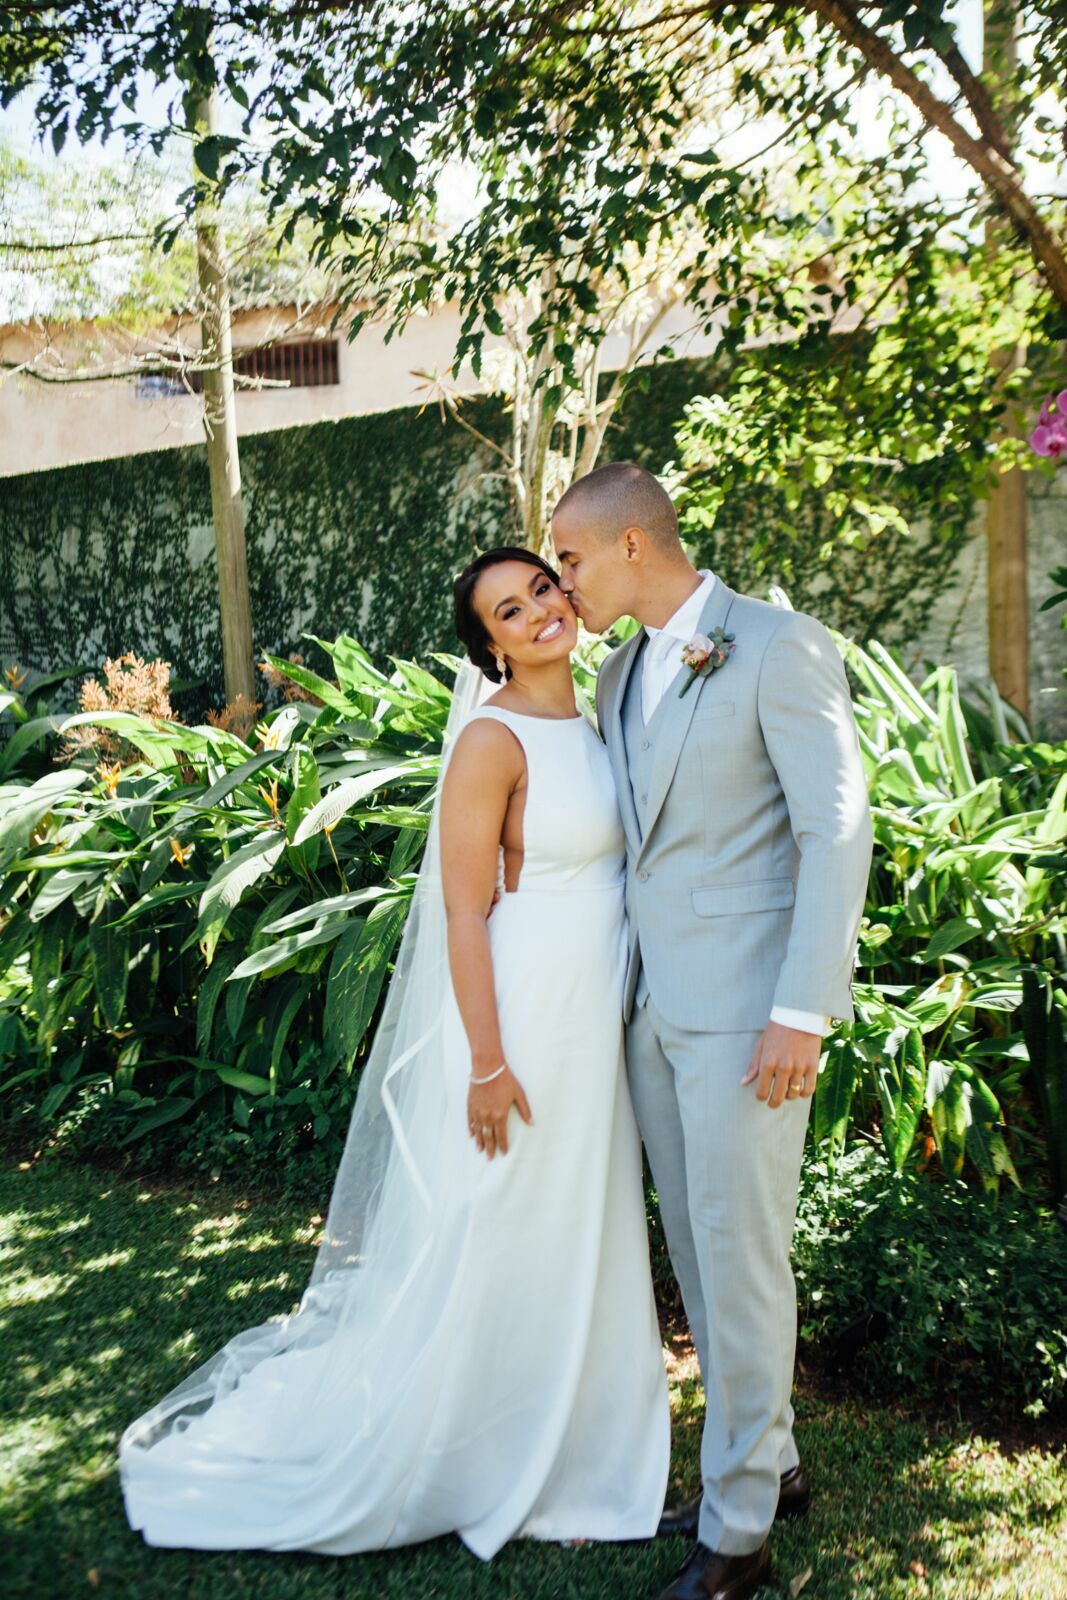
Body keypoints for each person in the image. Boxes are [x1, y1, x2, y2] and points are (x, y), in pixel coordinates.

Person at [118, 545, 670, 1560]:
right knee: (502, 1219)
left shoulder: (597, 715)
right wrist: (488, 1065)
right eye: (509, 611)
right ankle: (474, 1448)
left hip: (594, 1011)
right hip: (525, 1009)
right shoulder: (491, 742)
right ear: (489, 644)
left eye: (541, 588)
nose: (539, 611)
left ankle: (583, 1443)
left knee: (577, 1220)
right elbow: (464, 911)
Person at [552, 462, 873, 1600]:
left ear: (633, 545)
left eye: (572, 558)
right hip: (651, 1015)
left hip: (748, 1019)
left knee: (739, 1259)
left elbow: (835, 830)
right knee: (698, 1253)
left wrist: (799, 1010)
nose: (562, 582)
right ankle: (768, 1461)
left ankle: (737, 1537)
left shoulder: (778, 644)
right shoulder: (618, 673)